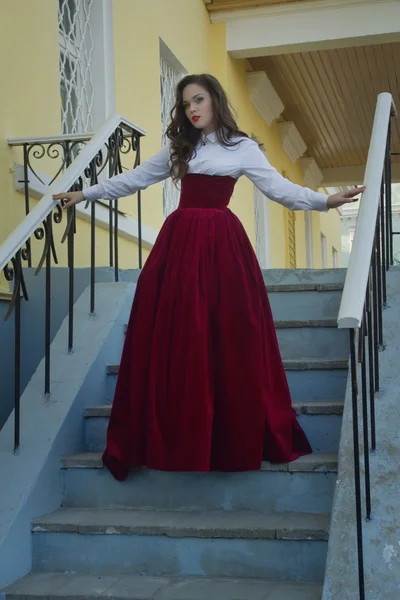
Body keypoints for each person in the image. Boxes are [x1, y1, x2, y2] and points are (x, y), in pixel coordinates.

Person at [53, 73, 363, 481]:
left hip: (222, 247)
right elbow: (135, 178)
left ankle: (226, 437)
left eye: (198, 100)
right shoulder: (181, 146)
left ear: (215, 100)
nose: (192, 109)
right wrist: (86, 193)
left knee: (230, 333)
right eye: (185, 104)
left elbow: (279, 188)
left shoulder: (242, 147)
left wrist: (325, 199)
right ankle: (174, 434)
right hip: (179, 246)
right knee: (174, 334)